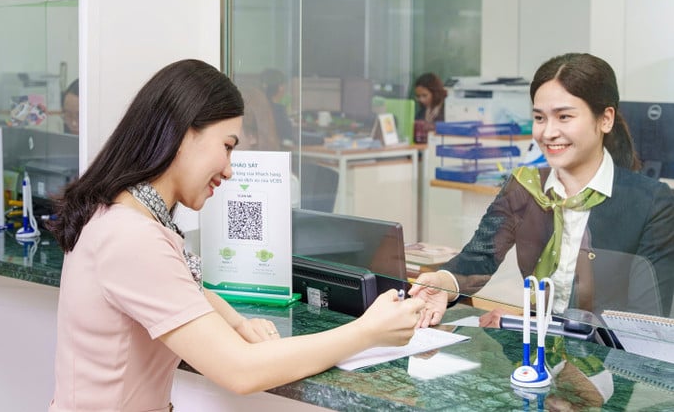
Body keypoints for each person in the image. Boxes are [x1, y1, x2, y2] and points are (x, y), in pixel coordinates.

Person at [47, 59, 425, 410]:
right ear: (182, 134)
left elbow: (186, 290)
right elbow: (240, 370)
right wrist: (367, 332)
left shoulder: (117, 213)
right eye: (226, 147)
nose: (229, 170)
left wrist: (239, 323)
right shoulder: (132, 238)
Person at [409, 53, 674, 327]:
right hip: (536, 356)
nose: (548, 133)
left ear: (605, 119)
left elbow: (645, 324)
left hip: (609, 363)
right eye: (539, 117)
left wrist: (531, 325)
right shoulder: (526, 187)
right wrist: (442, 282)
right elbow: (479, 257)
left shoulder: (653, 203)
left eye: (564, 117)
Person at [260, 68, 294, 145]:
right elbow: (288, 135)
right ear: (280, 87)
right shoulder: (278, 110)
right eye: (284, 85)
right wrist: (320, 138)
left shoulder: (258, 106)